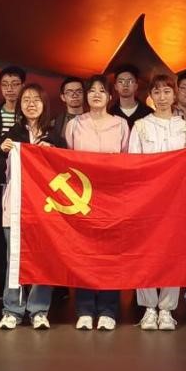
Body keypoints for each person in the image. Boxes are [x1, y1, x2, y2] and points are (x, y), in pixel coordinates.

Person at [0, 83, 67, 330]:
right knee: (14, 259)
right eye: (26, 100)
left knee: (44, 259)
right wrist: (0, 153)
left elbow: (68, 172)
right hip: (15, 207)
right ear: (19, 106)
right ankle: (12, 309)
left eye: (36, 99)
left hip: (46, 210)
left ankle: (39, 309)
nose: (31, 104)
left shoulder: (55, 137)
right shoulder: (10, 136)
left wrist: (54, 154)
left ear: (44, 104)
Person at [128, 74, 186, 331]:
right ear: (150, 96)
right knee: (145, 253)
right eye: (157, 92)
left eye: (167, 91)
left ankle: (167, 309)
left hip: (176, 201)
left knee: (172, 253)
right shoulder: (141, 127)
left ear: (174, 94)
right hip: (147, 200)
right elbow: (133, 165)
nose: (162, 97)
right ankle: (148, 308)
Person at [66, 75, 130, 330]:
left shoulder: (121, 125)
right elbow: (66, 161)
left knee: (110, 254)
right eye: (91, 90)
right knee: (84, 253)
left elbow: (127, 161)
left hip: (112, 199)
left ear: (109, 96)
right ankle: (84, 309)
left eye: (101, 91)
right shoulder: (74, 125)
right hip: (83, 198)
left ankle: (108, 309)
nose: (95, 94)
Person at [0, 65, 26, 299]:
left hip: (25, 185)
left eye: (15, 84)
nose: (10, 89)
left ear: (23, 85)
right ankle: (2, 283)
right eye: (5, 84)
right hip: (0, 183)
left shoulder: (30, 113)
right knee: (1, 237)